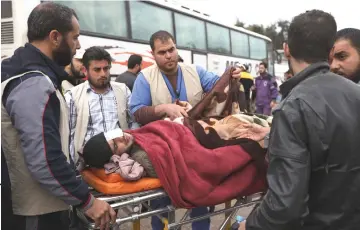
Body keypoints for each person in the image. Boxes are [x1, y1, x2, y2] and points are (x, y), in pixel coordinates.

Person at [236, 10, 360, 230]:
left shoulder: (293, 107)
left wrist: (250, 224)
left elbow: (285, 207)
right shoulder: (354, 93)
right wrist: (273, 136)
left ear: (286, 49)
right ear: (331, 52)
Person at [1, 3, 115, 230]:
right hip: (34, 213)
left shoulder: (27, 74)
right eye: (75, 37)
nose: (78, 45)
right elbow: (45, 159)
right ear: (55, 37)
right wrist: (87, 201)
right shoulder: (33, 83)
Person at [129, 30, 242, 230]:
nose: (169, 55)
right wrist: (164, 108)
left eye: (171, 49)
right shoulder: (144, 79)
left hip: (195, 150)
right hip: (164, 154)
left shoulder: (195, 71)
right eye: (162, 52)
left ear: (176, 48)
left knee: (202, 196)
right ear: (153, 54)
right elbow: (137, 112)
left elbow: (219, 87)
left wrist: (232, 76)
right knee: (162, 204)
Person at [65, 46, 138, 169]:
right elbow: (70, 136)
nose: (103, 74)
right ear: (85, 70)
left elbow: (133, 123)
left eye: (106, 68)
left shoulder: (123, 90)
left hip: (123, 162)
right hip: (89, 166)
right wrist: (74, 169)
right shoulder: (73, 96)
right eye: (97, 70)